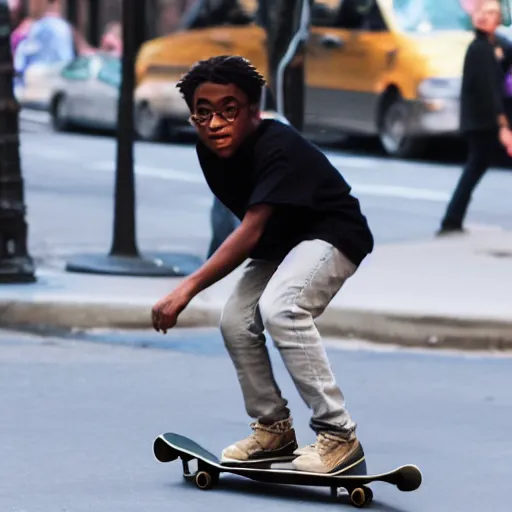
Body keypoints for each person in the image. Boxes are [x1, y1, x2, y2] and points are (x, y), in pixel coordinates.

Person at [151, 55, 374, 474]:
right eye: (203, 114)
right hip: (282, 241)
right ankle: (273, 430)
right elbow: (253, 228)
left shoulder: (278, 146)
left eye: (228, 111)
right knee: (235, 321)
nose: (215, 124)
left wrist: (185, 289)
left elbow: (251, 229)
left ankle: (339, 435)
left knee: (283, 309)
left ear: (254, 111)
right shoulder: (210, 149)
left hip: (333, 233)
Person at [438, 0, 512, 235]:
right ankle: (451, 220)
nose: (486, 17)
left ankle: (452, 219)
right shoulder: (479, 49)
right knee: (474, 168)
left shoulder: (494, 45)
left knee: (474, 169)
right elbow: (489, 90)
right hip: (483, 123)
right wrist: (503, 127)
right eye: (482, 12)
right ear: (474, 17)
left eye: (492, 13)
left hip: (485, 122)